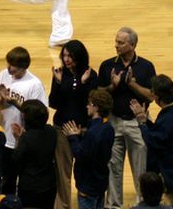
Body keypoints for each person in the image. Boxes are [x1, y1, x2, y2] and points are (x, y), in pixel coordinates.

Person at [95, 29, 155, 209]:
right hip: (113, 122)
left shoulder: (146, 66)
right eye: (116, 41)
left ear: (133, 45)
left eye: (121, 43)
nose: (116, 45)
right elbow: (98, 96)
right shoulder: (107, 66)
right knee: (113, 168)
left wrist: (132, 84)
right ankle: (114, 205)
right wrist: (112, 86)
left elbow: (152, 96)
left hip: (137, 122)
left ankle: (140, 204)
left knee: (140, 168)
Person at [0, 48, 48, 193]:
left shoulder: (35, 84)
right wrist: (2, 98)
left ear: (22, 67)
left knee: (22, 180)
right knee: (5, 179)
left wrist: (15, 103)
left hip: (22, 140)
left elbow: (40, 114)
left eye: (12, 66)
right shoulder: (3, 75)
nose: (8, 68)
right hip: (3, 136)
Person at [130, 76, 173, 205]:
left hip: (170, 172)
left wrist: (142, 123)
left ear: (158, 97)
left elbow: (154, 141)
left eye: (153, 92)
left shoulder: (169, 117)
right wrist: (146, 122)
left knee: (171, 204)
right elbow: (162, 133)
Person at [48, 41, 94, 209]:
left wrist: (82, 84)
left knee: (85, 170)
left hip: (84, 129)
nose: (66, 59)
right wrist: (59, 83)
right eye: (64, 55)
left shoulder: (90, 75)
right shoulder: (60, 74)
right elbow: (53, 102)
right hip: (62, 128)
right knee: (62, 172)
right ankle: (63, 206)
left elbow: (90, 103)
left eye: (70, 56)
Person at [62, 88, 115, 209]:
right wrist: (81, 135)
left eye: (89, 104)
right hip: (100, 183)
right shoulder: (108, 127)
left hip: (88, 185)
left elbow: (81, 155)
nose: (87, 106)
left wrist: (73, 137)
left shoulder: (92, 133)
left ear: (96, 107)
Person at [11, 100, 55, 209]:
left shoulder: (26, 138)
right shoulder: (52, 131)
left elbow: (15, 159)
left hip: (30, 186)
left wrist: (18, 140)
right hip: (49, 184)